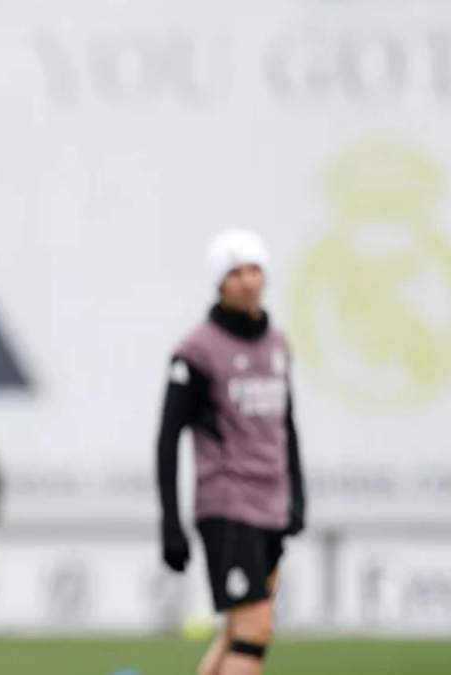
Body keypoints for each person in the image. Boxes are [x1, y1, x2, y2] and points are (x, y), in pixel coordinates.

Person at [156, 229, 306, 675]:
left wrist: (297, 495)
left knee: (239, 633)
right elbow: (167, 438)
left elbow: (286, 425)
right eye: (235, 272)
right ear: (219, 283)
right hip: (228, 503)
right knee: (254, 630)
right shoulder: (197, 351)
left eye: (254, 270)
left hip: (271, 504)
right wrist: (171, 522)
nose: (247, 281)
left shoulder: (278, 344)